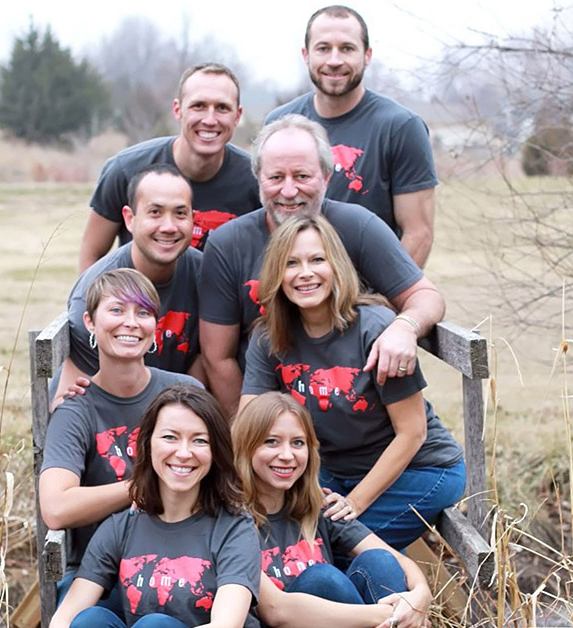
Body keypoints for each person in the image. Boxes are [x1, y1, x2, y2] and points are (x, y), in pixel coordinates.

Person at [240, 215, 465, 550]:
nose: (305, 273)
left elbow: (412, 432)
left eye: (317, 260)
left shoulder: (375, 329)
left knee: (332, 548)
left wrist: (355, 503)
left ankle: (391, 600)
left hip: (419, 470)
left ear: (337, 267)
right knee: (280, 543)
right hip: (334, 472)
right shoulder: (269, 337)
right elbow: (249, 423)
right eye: (291, 263)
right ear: (276, 274)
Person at [199, 114, 445, 416]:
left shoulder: (359, 227)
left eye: (302, 176)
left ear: (327, 177)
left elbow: (426, 296)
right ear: (259, 178)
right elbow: (218, 358)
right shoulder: (228, 244)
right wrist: (252, 439)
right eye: (276, 177)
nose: (288, 191)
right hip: (269, 416)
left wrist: (405, 327)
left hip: (358, 418)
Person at [40, 269, 203, 609]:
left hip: (184, 565)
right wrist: (141, 486)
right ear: (89, 321)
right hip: (100, 573)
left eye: (143, 312)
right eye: (116, 310)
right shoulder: (76, 409)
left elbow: (218, 475)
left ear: (155, 326)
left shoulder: (186, 393)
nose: (131, 322)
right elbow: (56, 509)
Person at [50, 385, 260, 628]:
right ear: (148, 443)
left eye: (199, 440)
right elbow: (64, 619)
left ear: (215, 451)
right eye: (170, 437)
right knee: (90, 621)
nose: (183, 453)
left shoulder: (235, 528)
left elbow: (226, 625)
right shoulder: (122, 526)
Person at [232, 392, 432, 628]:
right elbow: (277, 611)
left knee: (379, 561)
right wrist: (392, 617)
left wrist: (420, 596)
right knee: (323, 580)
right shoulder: (231, 521)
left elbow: (396, 559)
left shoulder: (320, 507)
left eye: (297, 442)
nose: (287, 455)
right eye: (271, 441)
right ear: (246, 447)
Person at [265, 6, 437, 268]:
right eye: (323, 48)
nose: (334, 60)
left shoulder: (400, 127)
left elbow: (418, 234)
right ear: (306, 55)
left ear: (367, 55)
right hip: (297, 289)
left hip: (370, 296)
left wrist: (383, 303)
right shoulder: (279, 125)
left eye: (347, 48)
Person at [52, 164, 203, 411]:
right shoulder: (94, 294)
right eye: (155, 212)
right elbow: (71, 399)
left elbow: (206, 360)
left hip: (178, 414)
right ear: (130, 219)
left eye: (180, 213)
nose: (168, 226)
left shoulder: (205, 275)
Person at [80, 62, 260, 269]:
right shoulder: (126, 170)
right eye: (198, 106)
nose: (210, 120)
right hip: (140, 297)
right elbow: (91, 254)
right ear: (178, 110)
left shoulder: (255, 179)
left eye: (222, 108)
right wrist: (93, 300)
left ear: (237, 115)